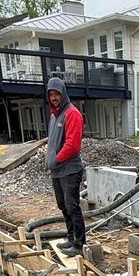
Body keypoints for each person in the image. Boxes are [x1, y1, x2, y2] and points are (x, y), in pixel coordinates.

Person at [45, 76, 85, 255]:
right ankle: (70, 238)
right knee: (63, 205)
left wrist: (56, 159)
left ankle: (79, 244)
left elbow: (73, 144)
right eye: (51, 94)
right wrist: (50, 160)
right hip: (57, 171)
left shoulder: (72, 113)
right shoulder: (54, 116)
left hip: (70, 170)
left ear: (63, 94)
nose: (54, 97)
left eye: (57, 94)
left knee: (72, 206)